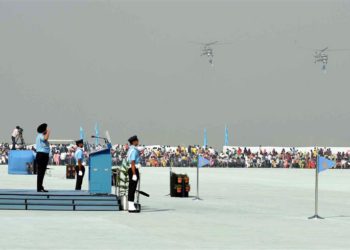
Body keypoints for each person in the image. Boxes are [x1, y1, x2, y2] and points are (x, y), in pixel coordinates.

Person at [126, 135, 141, 213]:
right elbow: (132, 162)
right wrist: (134, 174)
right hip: (133, 170)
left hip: (132, 169)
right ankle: (131, 207)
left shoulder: (131, 149)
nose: (138, 141)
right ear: (134, 141)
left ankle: (131, 205)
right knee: (132, 188)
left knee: (132, 188)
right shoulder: (134, 150)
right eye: (137, 140)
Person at [35, 123, 50, 192]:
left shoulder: (40, 136)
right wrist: (48, 132)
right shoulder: (41, 135)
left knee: (42, 172)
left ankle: (40, 186)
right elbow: (45, 138)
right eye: (46, 129)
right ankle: (39, 187)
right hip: (42, 155)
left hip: (43, 155)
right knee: (41, 172)